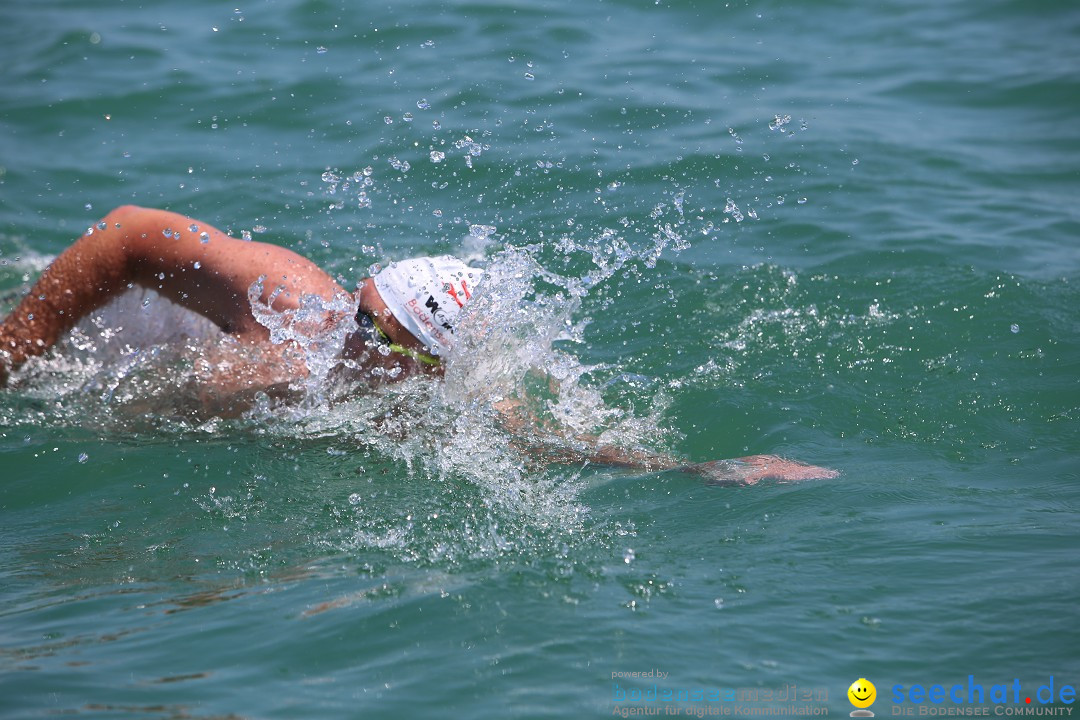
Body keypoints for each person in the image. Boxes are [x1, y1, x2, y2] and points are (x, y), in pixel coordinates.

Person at [0, 205, 837, 483]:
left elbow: (552, 448)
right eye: (357, 308)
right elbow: (126, 237)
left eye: (371, 331)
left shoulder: (434, 405)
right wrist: (16, 348)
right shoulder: (285, 298)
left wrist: (711, 472)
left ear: (419, 362)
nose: (345, 332)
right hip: (115, 333)